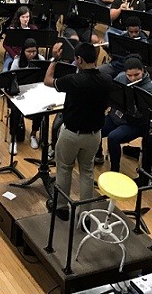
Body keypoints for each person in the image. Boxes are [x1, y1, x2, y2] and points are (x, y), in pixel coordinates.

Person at [45, 42, 112, 220]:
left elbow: (48, 80)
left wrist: (54, 59)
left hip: (71, 134)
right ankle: (86, 215)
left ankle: (61, 208)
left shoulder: (74, 80)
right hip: (94, 135)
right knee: (87, 171)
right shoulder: (106, 79)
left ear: (79, 59)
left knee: (64, 168)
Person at [95, 57, 152, 171]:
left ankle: (114, 171)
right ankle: (98, 156)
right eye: (129, 75)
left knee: (113, 137)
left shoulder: (149, 88)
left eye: (136, 75)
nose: (133, 78)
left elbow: (140, 114)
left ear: (143, 70)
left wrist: (125, 103)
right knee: (95, 126)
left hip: (135, 124)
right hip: (116, 116)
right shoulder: (121, 77)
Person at [7, 39, 45, 152]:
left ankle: (33, 134)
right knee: (15, 111)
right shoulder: (17, 62)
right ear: (24, 51)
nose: (32, 54)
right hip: (19, 93)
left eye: (34, 51)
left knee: (42, 109)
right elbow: (11, 79)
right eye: (29, 51)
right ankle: (13, 139)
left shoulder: (41, 60)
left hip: (35, 93)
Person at [2, 6, 37, 72]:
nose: (25, 19)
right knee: (5, 70)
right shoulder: (13, 28)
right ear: (19, 18)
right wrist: (14, 55)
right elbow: (5, 44)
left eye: (27, 17)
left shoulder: (33, 28)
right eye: (23, 17)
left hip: (29, 55)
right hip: (14, 55)